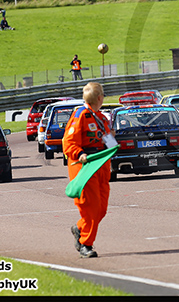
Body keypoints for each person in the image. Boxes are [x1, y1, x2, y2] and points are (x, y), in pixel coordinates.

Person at [62, 82, 113, 258]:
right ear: (99, 98)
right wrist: (80, 154)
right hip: (85, 168)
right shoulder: (80, 116)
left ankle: (80, 228)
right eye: (103, 95)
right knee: (91, 208)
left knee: (102, 209)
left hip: (102, 166)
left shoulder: (102, 118)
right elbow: (69, 142)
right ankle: (85, 244)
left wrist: (114, 146)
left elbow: (107, 139)